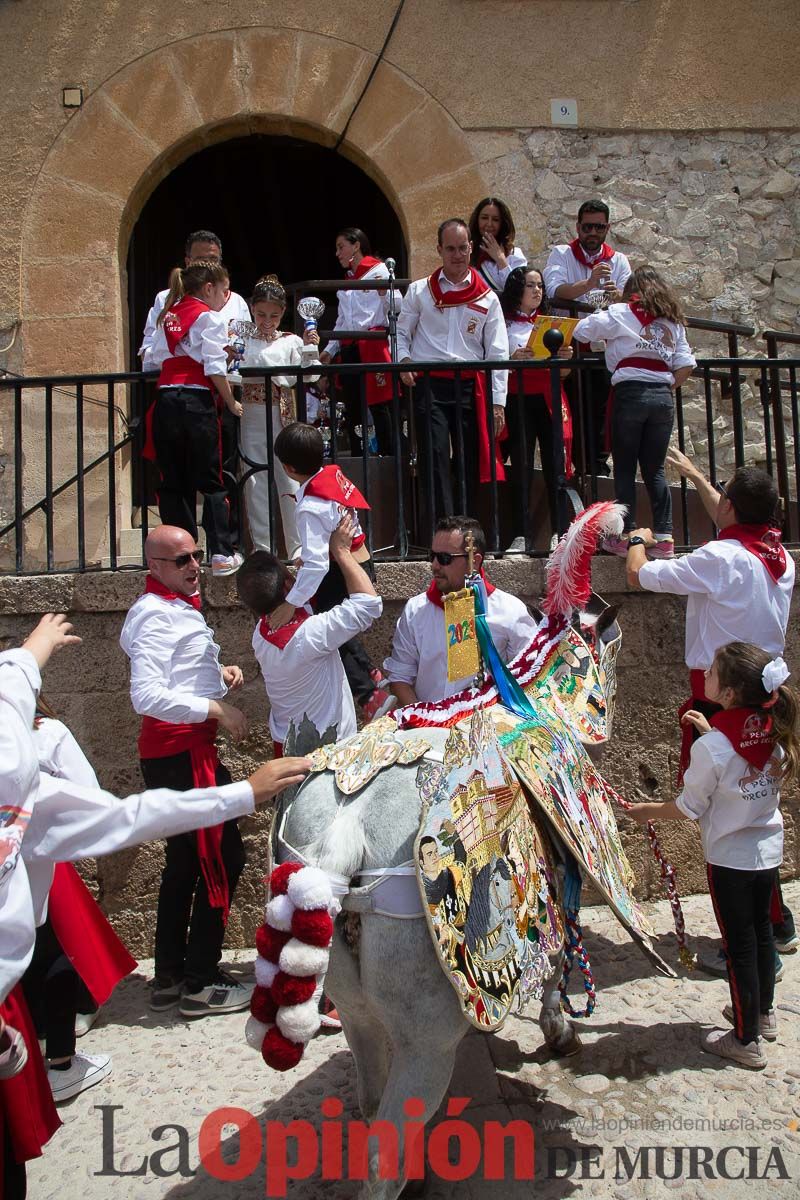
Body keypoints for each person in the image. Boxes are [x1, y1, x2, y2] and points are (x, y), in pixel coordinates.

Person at [0, 614, 309, 1198]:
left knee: (192, 867)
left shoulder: (26, 784)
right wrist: (244, 786)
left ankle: (178, 977)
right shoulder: (25, 786)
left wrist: (34, 650)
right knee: (193, 867)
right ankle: (188, 977)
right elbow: (126, 811)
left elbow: (128, 816)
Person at [627, 457, 796, 975]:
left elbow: (639, 576)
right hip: (761, 698)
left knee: (718, 819)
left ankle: (740, 943)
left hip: (716, 704)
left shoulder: (720, 557)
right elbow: (732, 526)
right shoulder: (779, 557)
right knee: (753, 813)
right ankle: (776, 921)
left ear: (729, 507)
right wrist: (702, 481)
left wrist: (637, 536)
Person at [630, 642, 799, 1070]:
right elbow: (738, 761)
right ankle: (763, 1015)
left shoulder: (714, 750)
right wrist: (711, 733)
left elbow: (689, 807)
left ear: (727, 693)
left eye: (712, 672)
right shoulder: (769, 733)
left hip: (728, 860)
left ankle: (745, 1040)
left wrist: (645, 811)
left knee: (739, 946)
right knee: (761, 935)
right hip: (765, 854)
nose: (703, 673)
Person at [119, 525, 253, 1018]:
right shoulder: (155, 615)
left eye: (197, 555)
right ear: (154, 567)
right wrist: (217, 710)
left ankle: (172, 972)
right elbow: (147, 696)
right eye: (182, 560)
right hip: (181, 755)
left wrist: (218, 676)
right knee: (223, 855)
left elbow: (176, 673)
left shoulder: (174, 608)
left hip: (181, 751)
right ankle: (202, 979)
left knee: (185, 860)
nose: (195, 566)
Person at [270, 423, 393, 722]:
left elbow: (315, 566)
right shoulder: (332, 477)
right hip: (360, 561)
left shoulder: (310, 506)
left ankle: (368, 694)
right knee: (336, 622)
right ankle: (370, 672)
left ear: (287, 467)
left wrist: (292, 603)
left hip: (341, 569)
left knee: (328, 627)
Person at [139, 230, 251, 553]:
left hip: (171, 398)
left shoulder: (173, 312)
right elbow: (212, 365)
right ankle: (216, 552)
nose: (207, 264)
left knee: (204, 474)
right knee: (207, 478)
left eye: (213, 259)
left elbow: (156, 355)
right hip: (203, 399)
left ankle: (188, 550)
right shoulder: (186, 307)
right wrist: (229, 398)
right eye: (202, 259)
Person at [573, 266, 696, 558]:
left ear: (631, 291)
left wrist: (611, 309)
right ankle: (665, 537)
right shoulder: (671, 322)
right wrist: (665, 387)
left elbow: (582, 330)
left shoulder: (620, 313)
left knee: (626, 468)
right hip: (662, 396)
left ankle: (624, 535)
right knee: (654, 470)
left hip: (629, 393)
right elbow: (686, 363)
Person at [396, 218, 509, 535]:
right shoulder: (420, 291)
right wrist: (403, 361)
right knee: (434, 458)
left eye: (462, 248)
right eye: (450, 249)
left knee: (469, 459)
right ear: (439, 250)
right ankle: (441, 531)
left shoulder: (487, 297)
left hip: (469, 386)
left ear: (471, 248)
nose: (457, 255)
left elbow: (498, 354)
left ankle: (467, 532)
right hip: (429, 383)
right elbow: (401, 334)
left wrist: (498, 403)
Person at [238, 512, 382, 753]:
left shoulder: (261, 633)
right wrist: (342, 553)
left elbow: (306, 605)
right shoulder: (312, 634)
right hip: (327, 753)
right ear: (287, 585)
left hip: (286, 745)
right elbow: (368, 605)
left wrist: (309, 573)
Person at [383, 515, 540, 704]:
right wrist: (423, 721)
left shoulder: (510, 611)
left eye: (444, 558)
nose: (434, 566)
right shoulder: (415, 610)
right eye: (432, 556)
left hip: (490, 727)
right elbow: (400, 677)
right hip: (428, 727)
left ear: (474, 560)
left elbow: (531, 677)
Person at [544, 199, 632, 477]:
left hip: (604, 349)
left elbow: (630, 301)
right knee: (571, 413)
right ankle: (570, 471)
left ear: (608, 227)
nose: (592, 233)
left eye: (599, 227)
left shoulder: (618, 260)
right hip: (570, 346)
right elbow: (554, 291)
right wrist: (589, 283)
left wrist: (616, 294)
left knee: (602, 415)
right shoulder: (562, 254)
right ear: (578, 227)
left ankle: (596, 469)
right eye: (587, 227)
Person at [239, 275, 320, 557]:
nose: (267, 320)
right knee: (255, 479)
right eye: (261, 314)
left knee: (288, 477)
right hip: (250, 413)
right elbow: (232, 372)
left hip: (282, 412)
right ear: (252, 310)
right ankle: (262, 547)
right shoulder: (243, 340)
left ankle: (296, 546)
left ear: (283, 313)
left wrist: (311, 348)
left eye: (273, 315)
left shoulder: (291, 341)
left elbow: (311, 374)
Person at [500, 265, 574, 553]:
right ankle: (521, 534)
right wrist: (512, 358)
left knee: (556, 464)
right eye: (531, 285)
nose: (537, 291)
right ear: (518, 290)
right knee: (521, 467)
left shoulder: (551, 324)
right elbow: (494, 360)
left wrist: (565, 357)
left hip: (548, 397)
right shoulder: (504, 324)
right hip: (518, 398)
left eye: (540, 285)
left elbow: (565, 373)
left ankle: (561, 531)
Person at [319, 227, 394, 456]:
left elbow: (397, 306)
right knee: (353, 408)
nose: (337, 253)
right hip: (350, 349)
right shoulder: (347, 281)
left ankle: (388, 456)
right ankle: (358, 456)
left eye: (341, 247)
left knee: (379, 406)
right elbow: (342, 321)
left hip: (372, 346)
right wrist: (329, 350)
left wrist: (385, 292)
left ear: (356, 245)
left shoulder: (379, 269)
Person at [138, 230, 251, 370]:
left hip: (229, 385)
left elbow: (248, 349)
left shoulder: (237, 302)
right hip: (184, 384)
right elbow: (147, 353)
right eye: (201, 260)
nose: (207, 267)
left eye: (213, 260)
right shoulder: (166, 298)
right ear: (188, 262)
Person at [468, 197, 527, 294]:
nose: (489, 224)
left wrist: (501, 260)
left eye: (495, 220)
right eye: (484, 218)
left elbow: (519, 292)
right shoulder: (467, 252)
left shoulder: (514, 254)